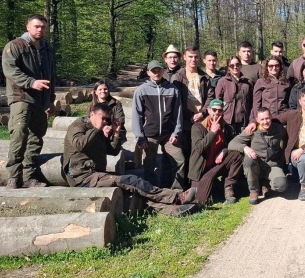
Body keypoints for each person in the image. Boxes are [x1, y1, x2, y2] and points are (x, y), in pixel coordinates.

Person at [63, 103, 197, 216]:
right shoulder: (78, 126)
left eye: (107, 120)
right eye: (103, 118)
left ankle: (171, 209)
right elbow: (80, 144)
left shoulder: (97, 130)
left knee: (134, 188)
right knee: (132, 181)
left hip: (96, 174)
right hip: (82, 177)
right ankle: (176, 197)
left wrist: (116, 133)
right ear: (92, 114)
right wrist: (97, 128)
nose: (105, 122)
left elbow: (112, 151)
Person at [3, 14, 56, 189]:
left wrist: (50, 100)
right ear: (28, 27)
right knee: (19, 135)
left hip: (41, 100)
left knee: (36, 138)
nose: (40, 30)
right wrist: (31, 82)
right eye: (36, 26)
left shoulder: (47, 49)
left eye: (43, 27)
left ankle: (29, 176)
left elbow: (51, 76)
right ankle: (14, 177)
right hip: (21, 97)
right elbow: (10, 71)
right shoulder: (15, 46)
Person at [132, 60, 186, 189]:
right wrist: (140, 137)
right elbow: (136, 115)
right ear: (148, 73)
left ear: (163, 71)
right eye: (153, 71)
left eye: (159, 70)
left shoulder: (172, 89)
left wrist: (176, 133)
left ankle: (177, 191)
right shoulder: (141, 90)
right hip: (150, 135)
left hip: (169, 135)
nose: (157, 73)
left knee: (180, 161)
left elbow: (178, 113)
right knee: (149, 165)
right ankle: (152, 192)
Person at [188, 99, 244, 205]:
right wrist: (212, 132)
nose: (217, 113)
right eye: (214, 110)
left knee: (237, 155)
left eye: (220, 110)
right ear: (208, 110)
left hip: (216, 165)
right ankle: (214, 185)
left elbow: (231, 144)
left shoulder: (226, 127)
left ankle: (228, 186)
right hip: (201, 169)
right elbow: (198, 149)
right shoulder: (197, 127)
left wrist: (224, 151)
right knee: (200, 201)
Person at [229, 107, 288, 204]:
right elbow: (232, 144)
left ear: (271, 117)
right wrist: (245, 148)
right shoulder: (252, 130)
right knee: (248, 160)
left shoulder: (279, 129)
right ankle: (254, 191)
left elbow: (285, 139)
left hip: (272, 165)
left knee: (281, 185)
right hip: (257, 165)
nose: (265, 122)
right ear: (257, 120)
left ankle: (266, 183)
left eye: (267, 118)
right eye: (262, 119)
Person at [172, 46, 216, 169]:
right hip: (185, 120)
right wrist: (189, 115)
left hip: (202, 119)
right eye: (190, 57)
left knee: (200, 151)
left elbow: (210, 97)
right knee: (185, 152)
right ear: (184, 57)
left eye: (196, 57)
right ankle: (185, 178)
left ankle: (197, 177)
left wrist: (202, 113)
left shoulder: (205, 77)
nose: (193, 59)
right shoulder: (178, 77)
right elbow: (176, 100)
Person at [215, 55, 253, 134]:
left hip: (243, 122)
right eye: (232, 65)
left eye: (237, 65)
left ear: (241, 66)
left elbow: (252, 103)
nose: (235, 67)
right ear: (228, 67)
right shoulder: (222, 81)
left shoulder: (248, 83)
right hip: (227, 122)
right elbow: (218, 101)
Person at [250, 56, 291, 123]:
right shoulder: (261, 82)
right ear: (267, 67)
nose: (274, 68)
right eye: (271, 66)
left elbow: (290, 101)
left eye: (276, 65)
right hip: (267, 118)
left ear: (280, 66)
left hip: (283, 117)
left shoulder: (286, 82)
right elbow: (256, 104)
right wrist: (256, 119)